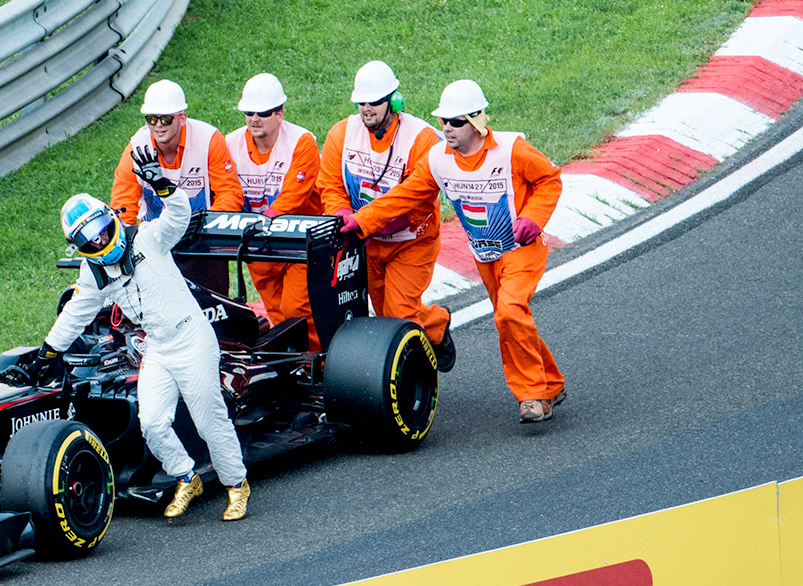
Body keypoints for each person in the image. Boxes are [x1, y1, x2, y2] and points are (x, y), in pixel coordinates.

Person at [24, 149, 251, 520]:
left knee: (209, 419)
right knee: (153, 423)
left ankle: (236, 485)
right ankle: (186, 477)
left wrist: (162, 184)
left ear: (112, 219)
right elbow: (74, 314)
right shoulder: (92, 273)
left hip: (192, 338)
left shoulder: (147, 238)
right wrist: (47, 353)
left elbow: (178, 216)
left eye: (101, 232)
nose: (99, 243)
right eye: (89, 242)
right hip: (157, 349)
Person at [347, 79, 565, 423]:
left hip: (521, 250)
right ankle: (551, 382)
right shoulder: (438, 159)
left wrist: (533, 218)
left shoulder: (513, 149)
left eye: (456, 122)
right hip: (485, 256)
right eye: (443, 121)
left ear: (477, 121)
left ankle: (533, 394)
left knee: (509, 312)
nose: (447, 128)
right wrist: (362, 222)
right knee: (511, 321)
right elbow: (404, 196)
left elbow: (549, 180)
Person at [318, 60, 455, 370]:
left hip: (411, 241)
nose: (367, 109)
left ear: (394, 100)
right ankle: (434, 325)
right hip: (367, 242)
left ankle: (424, 347)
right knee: (385, 316)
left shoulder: (422, 139)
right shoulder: (341, 134)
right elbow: (330, 185)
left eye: (375, 102)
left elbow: (413, 200)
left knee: (400, 311)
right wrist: (342, 215)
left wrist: (364, 223)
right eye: (362, 102)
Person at [110, 79, 243, 294]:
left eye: (165, 119)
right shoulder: (135, 148)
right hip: (156, 239)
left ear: (182, 118)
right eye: (152, 119)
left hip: (202, 239)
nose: (158, 126)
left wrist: (206, 228)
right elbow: (123, 205)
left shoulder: (209, 140)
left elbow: (230, 193)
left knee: (213, 305)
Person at [225, 73, 323, 348]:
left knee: (297, 309)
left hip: (300, 244)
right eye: (249, 112)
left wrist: (260, 221)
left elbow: (294, 196)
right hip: (260, 247)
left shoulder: (302, 142)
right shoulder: (230, 144)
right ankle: (288, 365)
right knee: (276, 311)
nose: (255, 118)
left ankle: (318, 363)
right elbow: (226, 190)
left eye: (264, 112)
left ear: (280, 113)